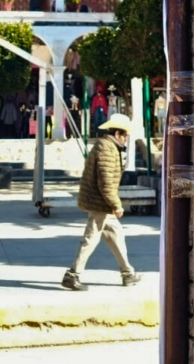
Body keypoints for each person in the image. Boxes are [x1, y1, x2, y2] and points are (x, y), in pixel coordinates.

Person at [62, 113, 141, 291]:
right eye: (125, 135)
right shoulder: (107, 149)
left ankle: (127, 273)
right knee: (91, 238)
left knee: (116, 234)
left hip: (100, 201)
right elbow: (106, 182)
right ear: (118, 133)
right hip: (99, 202)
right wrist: (116, 204)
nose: (126, 139)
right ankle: (72, 275)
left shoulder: (107, 146)